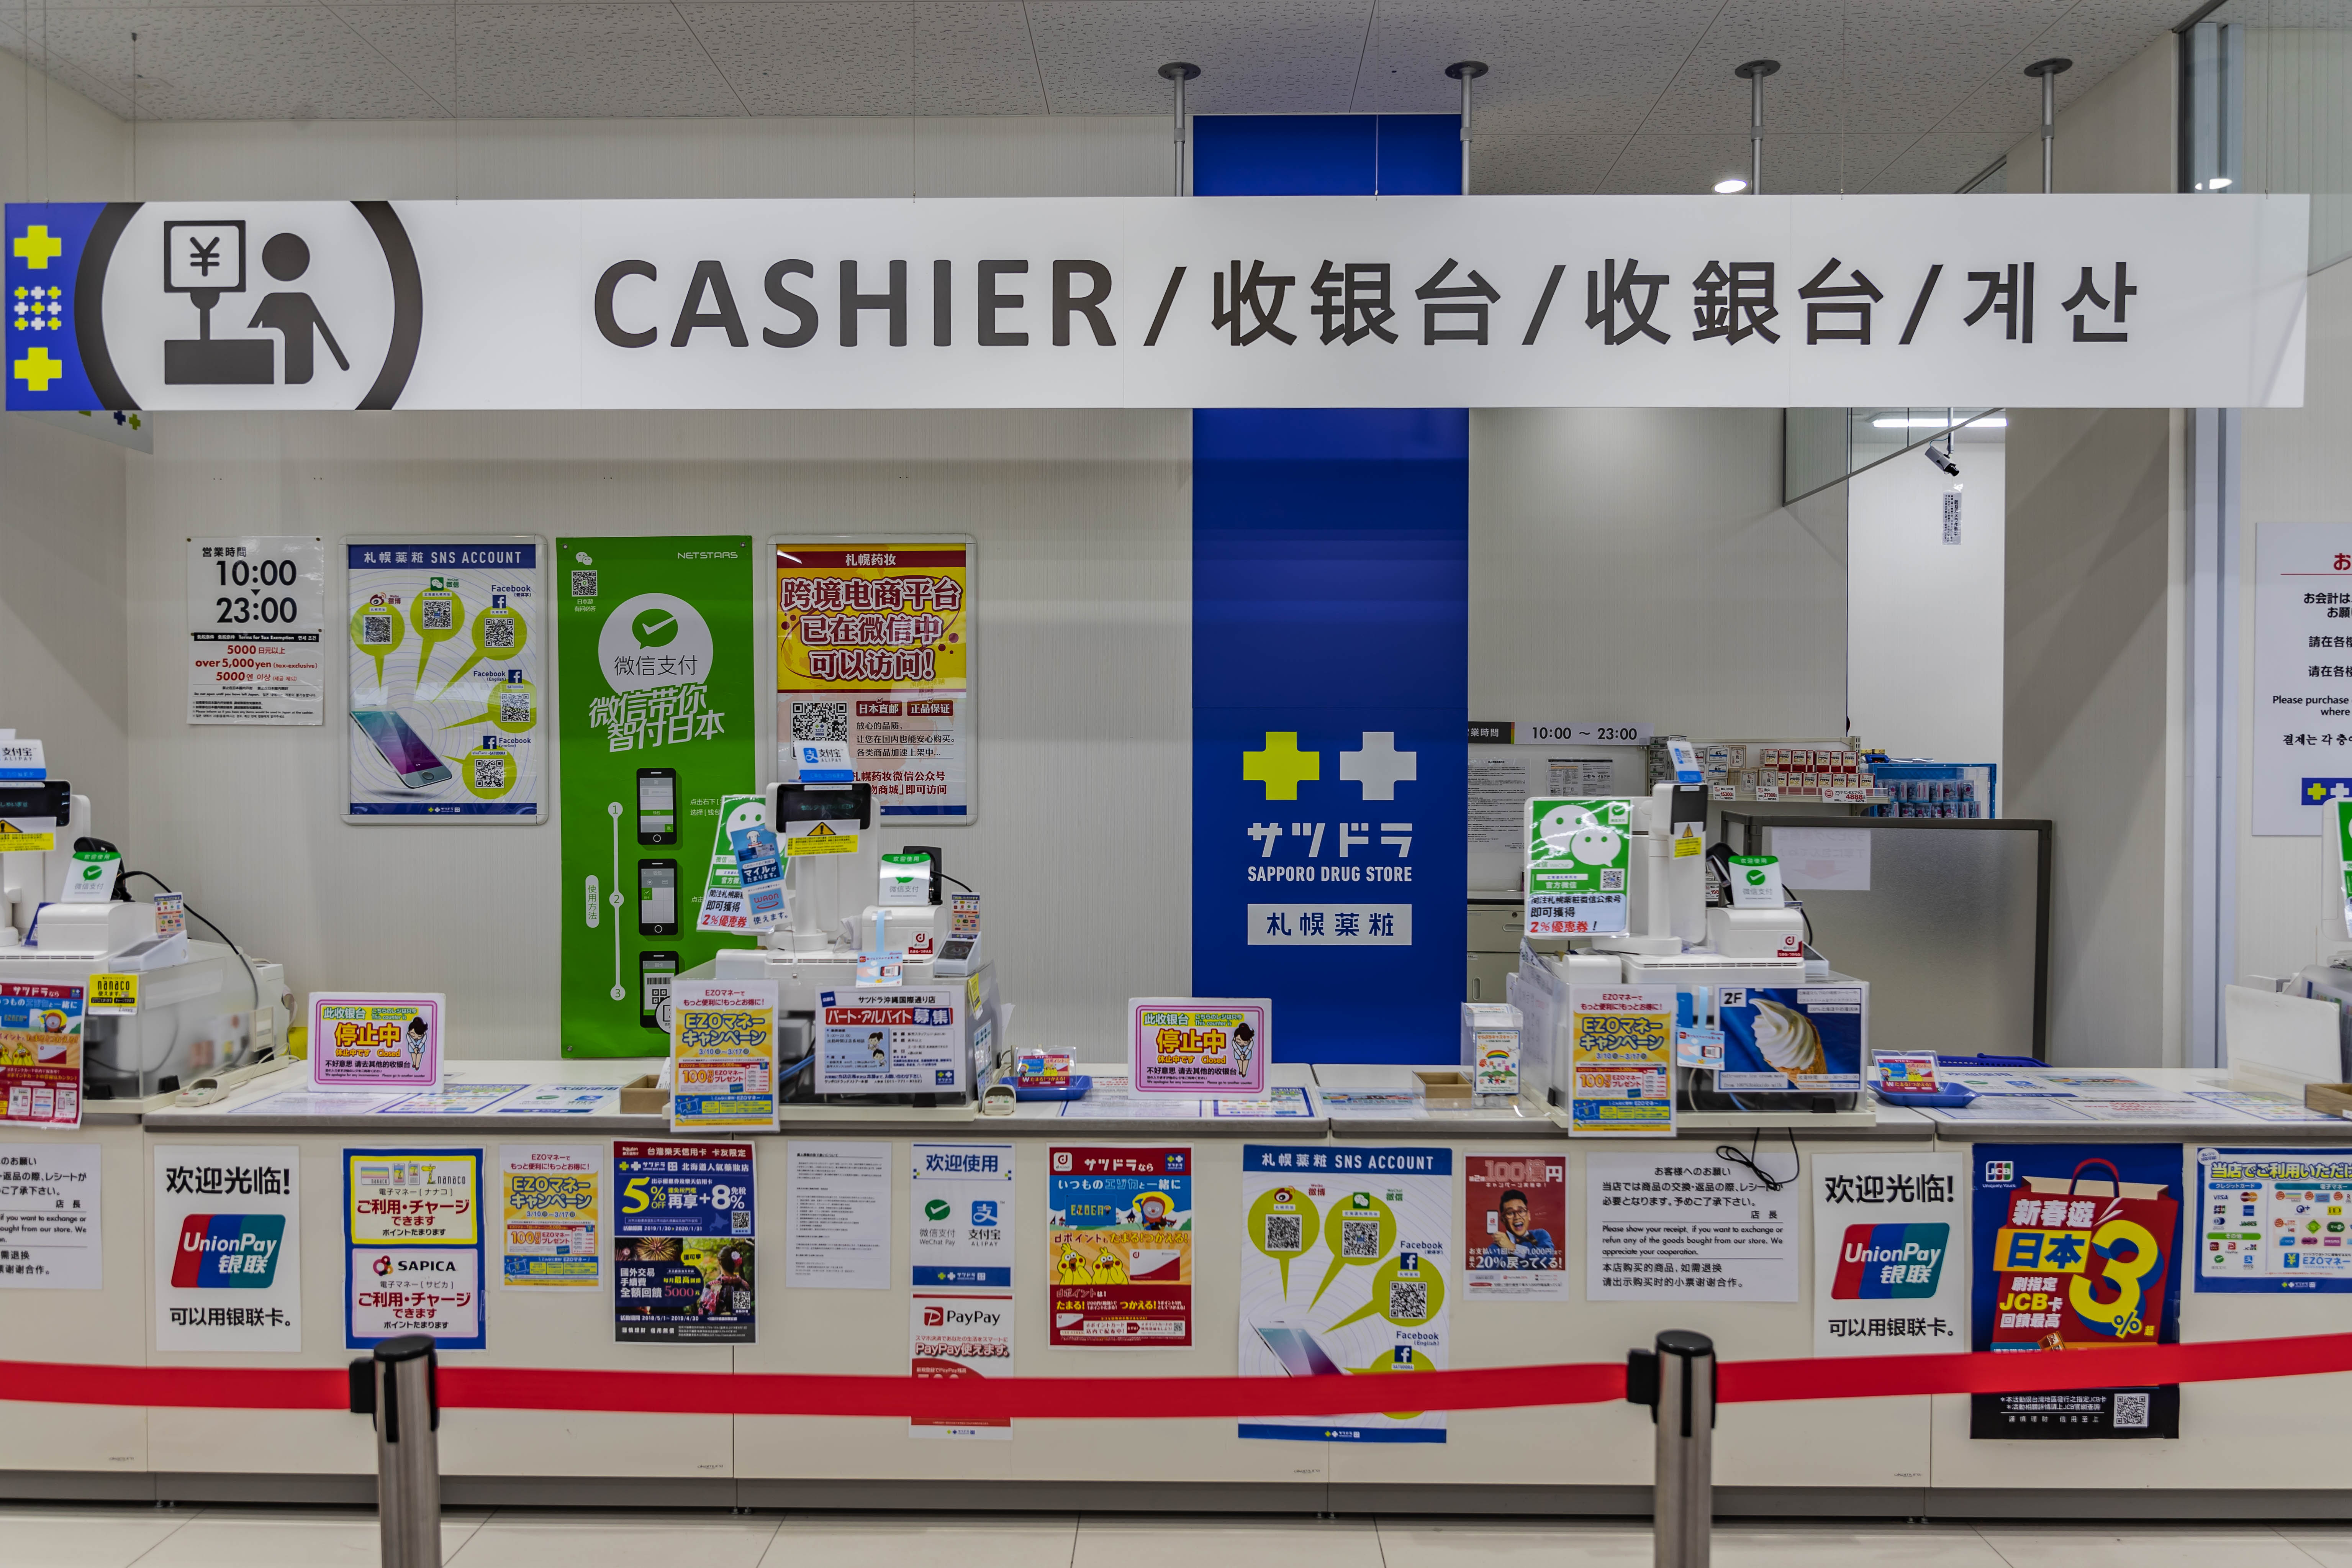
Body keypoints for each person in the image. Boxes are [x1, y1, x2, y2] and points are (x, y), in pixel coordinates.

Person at [247, 232, 349, 385]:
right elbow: (325, 333)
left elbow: (251, 335)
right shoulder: (290, 301)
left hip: (283, 371)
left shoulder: (274, 301)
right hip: (295, 372)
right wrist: (343, 363)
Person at [1481, 1188, 1555, 1270]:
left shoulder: (1541, 1235)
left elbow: (1547, 1258)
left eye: (1521, 1211)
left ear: (1529, 1215)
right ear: (1503, 1220)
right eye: (1510, 1213)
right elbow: (1482, 1276)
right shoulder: (1495, 1248)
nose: (1517, 1217)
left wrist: (1512, 1247)